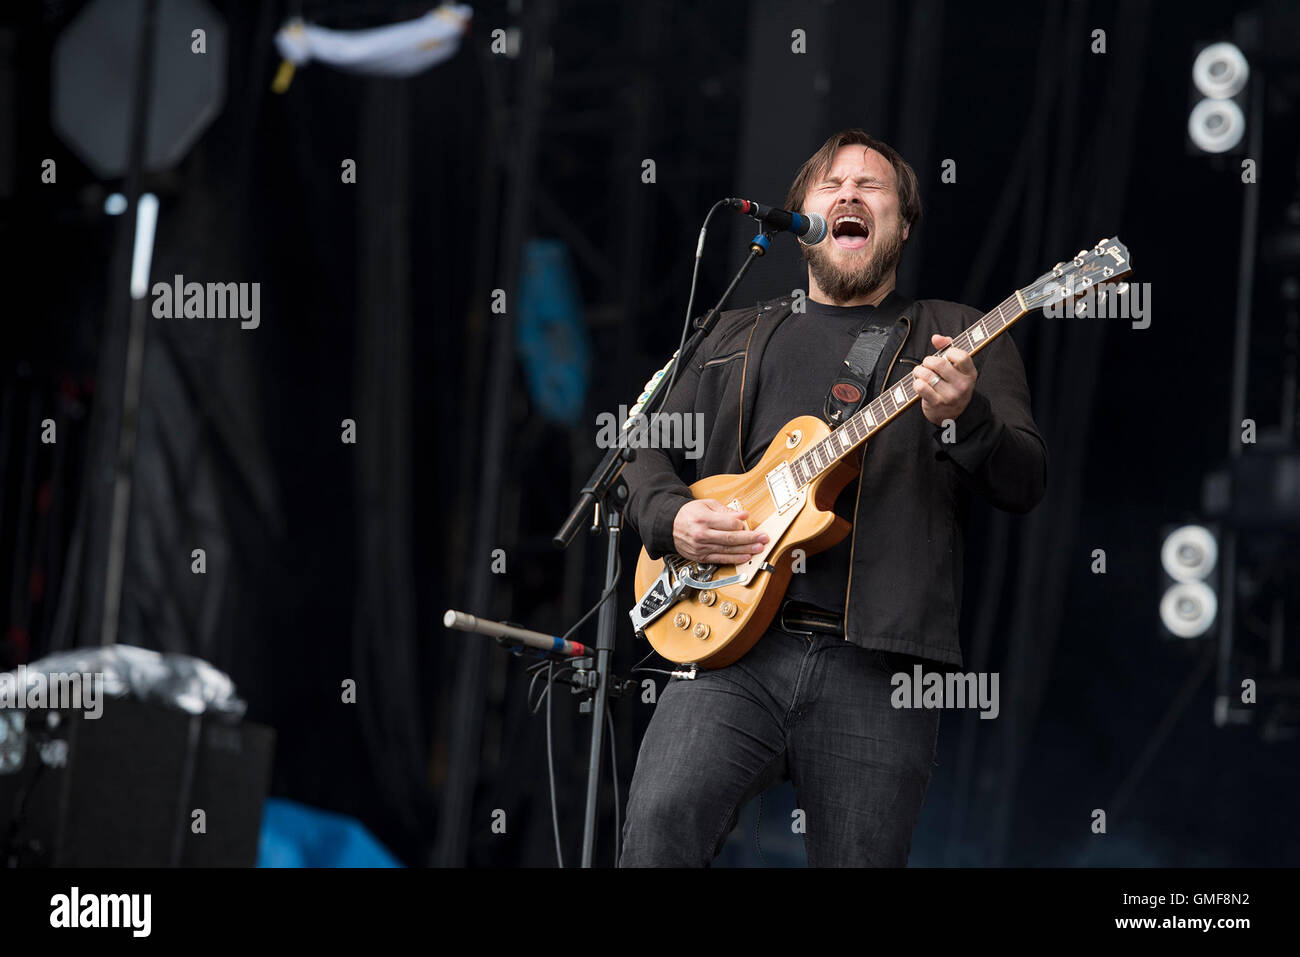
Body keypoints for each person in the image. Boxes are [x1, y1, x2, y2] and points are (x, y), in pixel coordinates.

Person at [618, 129, 1048, 867]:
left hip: (879, 669)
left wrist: (964, 418)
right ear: (798, 219)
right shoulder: (731, 333)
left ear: (902, 225)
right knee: (658, 830)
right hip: (727, 646)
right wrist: (672, 515)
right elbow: (639, 445)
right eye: (831, 184)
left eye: (872, 186)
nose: (849, 193)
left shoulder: (958, 337)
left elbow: (1024, 480)